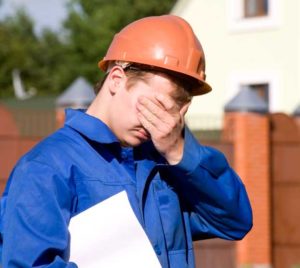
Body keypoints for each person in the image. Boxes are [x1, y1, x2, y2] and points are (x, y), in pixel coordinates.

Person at [0, 15, 252, 267]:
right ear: (117, 79)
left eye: (172, 114)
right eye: (155, 106)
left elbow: (235, 222)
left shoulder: (166, 164)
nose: (161, 123)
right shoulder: (45, 167)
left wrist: (180, 152)